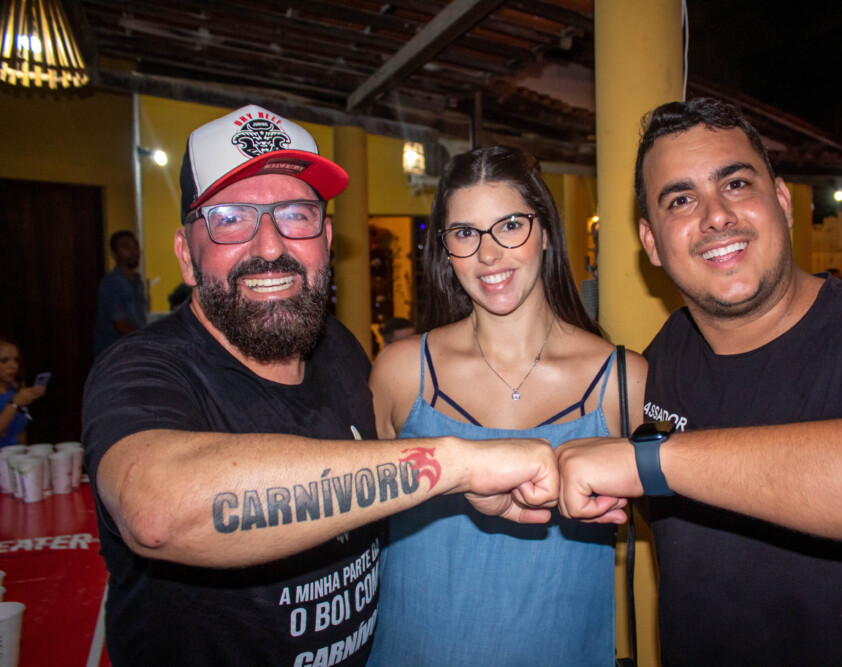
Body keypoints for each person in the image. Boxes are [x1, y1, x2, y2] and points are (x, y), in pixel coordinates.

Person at [82, 105, 561, 666]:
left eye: (296, 214)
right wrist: (457, 465)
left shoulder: (339, 348)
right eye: (230, 218)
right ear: (187, 255)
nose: (269, 247)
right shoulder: (142, 369)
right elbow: (156, 512)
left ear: (326, 238)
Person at [556, 98, 842, 665]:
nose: (716, 216)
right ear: (652, 244)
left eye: (736, 184)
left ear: (783, 202)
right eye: (681, 199)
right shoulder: (667, 352)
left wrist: (652, 463)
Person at [367, 145, 646, 665]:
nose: (489, 254)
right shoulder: (401, 372)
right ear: (446, 249)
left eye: (511, 225)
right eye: (465, 233)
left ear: (546, 232)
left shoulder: (622, 381)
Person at [93, 229, 147, 356]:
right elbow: (121, 324)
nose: (133, 252)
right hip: (115, 356)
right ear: (114, 254)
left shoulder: (138, 282)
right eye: (126, 247)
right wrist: (148, 341)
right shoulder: (111, 283)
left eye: (135, 246)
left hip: (133, 352)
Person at [1, 337, 46, 447]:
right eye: (4, 360)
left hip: (16, 453)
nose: (14, 366)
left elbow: (20, 430)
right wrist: (14, 403)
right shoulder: (14, 397)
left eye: (16, 360)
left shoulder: (13, 388)